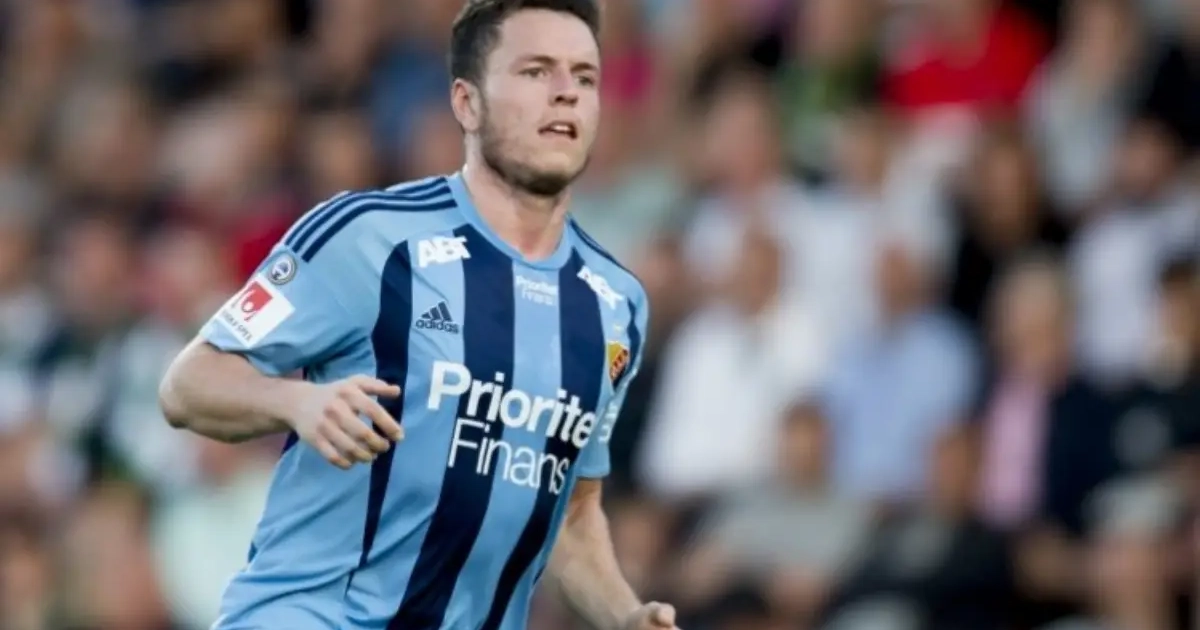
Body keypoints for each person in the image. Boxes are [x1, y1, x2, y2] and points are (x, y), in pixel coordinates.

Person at [156, 1, 673, 629]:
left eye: (584, 77)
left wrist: (627, 615)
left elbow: (569, 513)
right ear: (467, 103)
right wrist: (296, 403)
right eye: (536, 71)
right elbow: (187, 385)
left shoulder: (615, 304)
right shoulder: (368, 237)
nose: (566, 92)